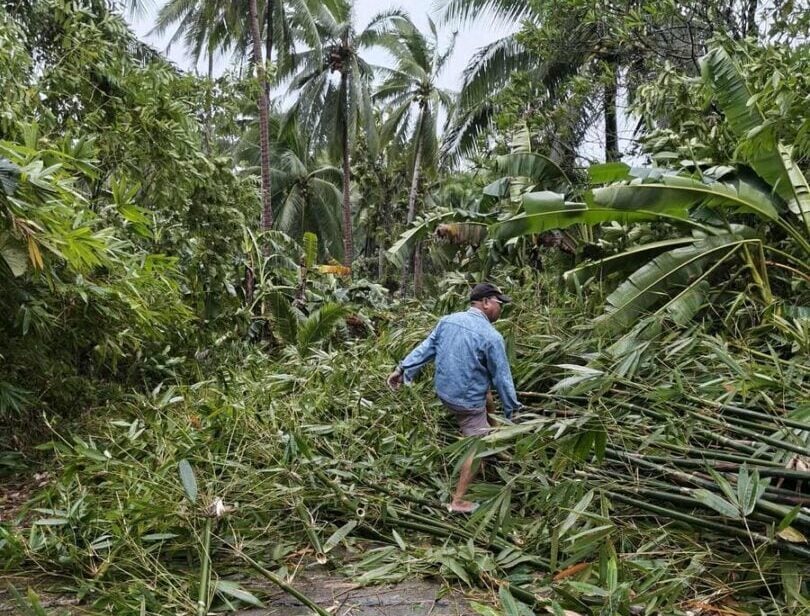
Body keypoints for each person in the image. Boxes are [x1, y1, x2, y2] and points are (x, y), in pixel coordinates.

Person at [386, 282, 522, 513]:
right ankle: (459, 501)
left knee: (486, 392)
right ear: (486, 302)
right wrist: (514, 412)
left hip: (445, 392)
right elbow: (503, 378)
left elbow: (425, 348)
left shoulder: (447, 320)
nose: (501, 310)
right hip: (465, 402)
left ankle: (494, 437)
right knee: (478, 446)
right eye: (500, 304)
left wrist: (401, 370)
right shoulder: (492, 336)